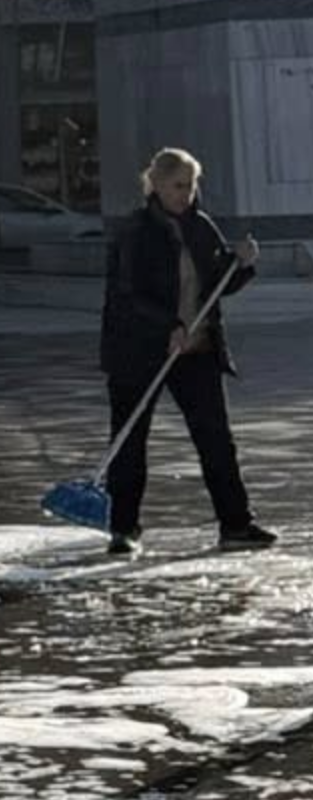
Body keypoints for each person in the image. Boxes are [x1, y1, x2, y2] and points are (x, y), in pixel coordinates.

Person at [98, 147, 275, 555]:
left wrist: (242, 264)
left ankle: (236, 524)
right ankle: (123, 529)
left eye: (191, 185)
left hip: (195, 350)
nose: (185, 193)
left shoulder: (200, 227)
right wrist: (169, 325)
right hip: (139, 352)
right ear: (156, 184)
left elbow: (217, 286)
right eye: (178, 185)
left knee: (216, 439)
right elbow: (128, 293)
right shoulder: (136, 231)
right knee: (130, 441)